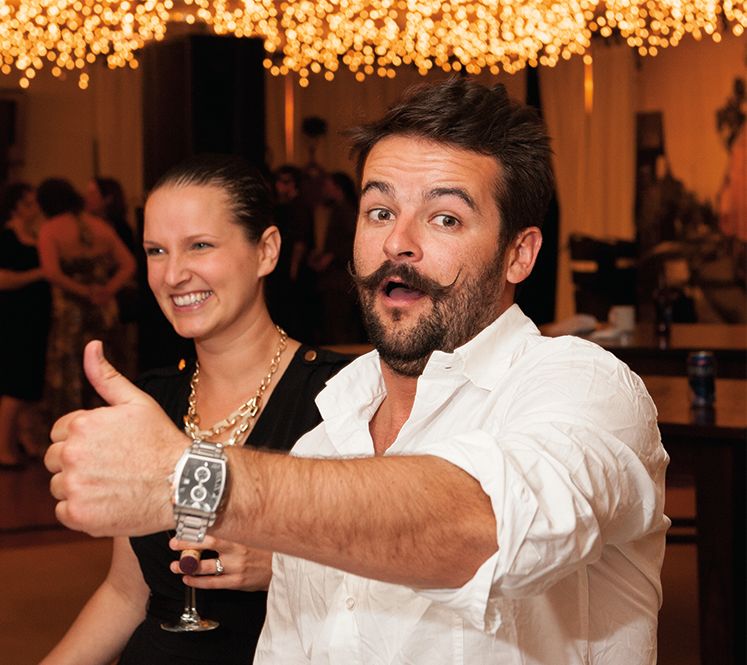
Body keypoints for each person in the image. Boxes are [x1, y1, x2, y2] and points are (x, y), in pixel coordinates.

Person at [45, 79, 669, 664]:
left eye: (445, 218)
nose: (398, 242)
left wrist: (190, 478)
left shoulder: (585, 387)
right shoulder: (325, 440)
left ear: (519, 254)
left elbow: (486, 527)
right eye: (379, 211)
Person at [40, 155, 350, 665]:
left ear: (266, 251)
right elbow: (125, 592)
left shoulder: (340, 396)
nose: (173, 274)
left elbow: (419, 582)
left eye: (200, 246)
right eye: (156, 251)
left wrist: (291, 567)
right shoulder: (151, 401)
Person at [37, 178, 136, 419]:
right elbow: (129, 264)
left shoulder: (50, 229)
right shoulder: (100, 226)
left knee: (71, 371)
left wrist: (83, 292)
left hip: (70, 314)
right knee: (106, 366)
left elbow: (51, 272)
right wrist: (107, 290)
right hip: (104, 309)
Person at [0, 182, 51, 467]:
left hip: (33, 319)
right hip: (15, 319)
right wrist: (40, 273)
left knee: (28, 385)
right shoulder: (7, 237)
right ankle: (3, 450)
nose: (36, 208)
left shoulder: (33, 235)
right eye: (30, 203)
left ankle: (24, 443)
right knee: (15, 385)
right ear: (16, 206)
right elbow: (3, 279)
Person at [309, 171, 366, 343]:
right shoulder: (334, 210)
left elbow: (352, 241)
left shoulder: (346, 210)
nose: (324, 189)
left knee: (338, 325)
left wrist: (331, 257)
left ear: (337, 188)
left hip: (340, 278)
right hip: (334, 277)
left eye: (328, 185)